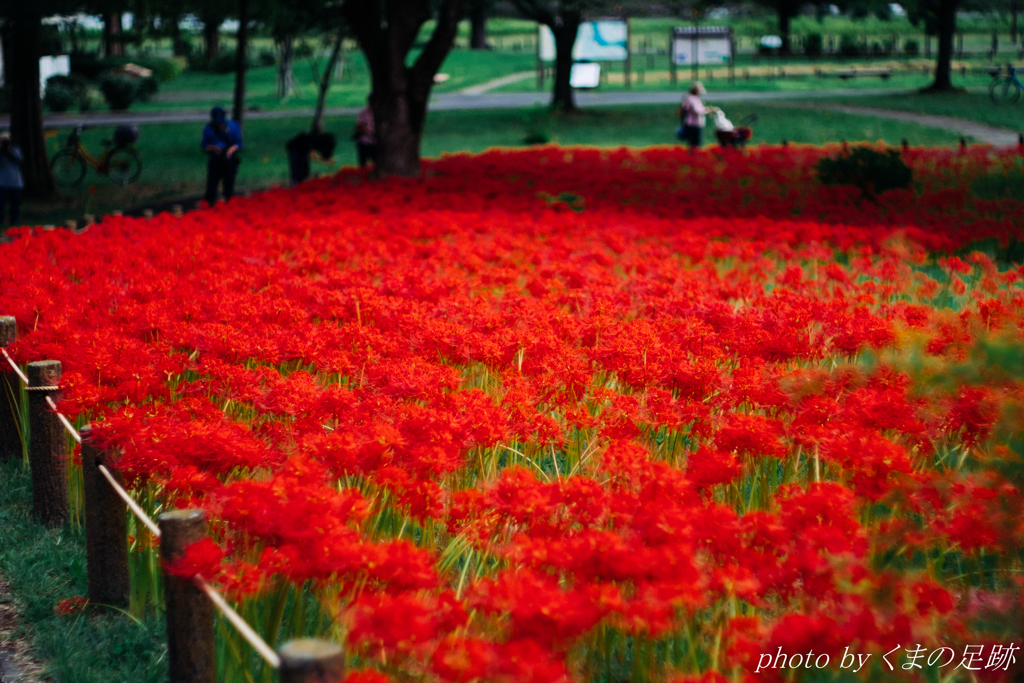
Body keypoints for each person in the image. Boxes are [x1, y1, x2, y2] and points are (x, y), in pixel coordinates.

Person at [201, 107, 243, 205]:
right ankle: (210, 203)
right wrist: (214, 148)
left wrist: (230, 150)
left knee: (229, 183)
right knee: (212, 184)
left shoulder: (233, 126)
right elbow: (204, 146)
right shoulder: (208, 128)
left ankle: (228, 201)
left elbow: (239, 144)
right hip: (215, 159)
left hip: (228, 159)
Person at [0, 132, 23, 227]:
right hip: (2, 183)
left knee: (15, 205)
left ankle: (14, 221)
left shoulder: (15, 150)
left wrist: (9, 151)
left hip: (16, 183)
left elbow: (18, 160)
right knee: (1, 204)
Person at [678, 82, 708, 149]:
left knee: (692, 143)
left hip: (690, 123)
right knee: (696, 144)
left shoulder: (688, 98)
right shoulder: (692, 99)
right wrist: (707, 110)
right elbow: (697, 110)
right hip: (694, 124)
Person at [354, 99, 376, 169]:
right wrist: (368, 132)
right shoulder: (363, 113)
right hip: (364, 141)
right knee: (362, 163)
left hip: (375, 142)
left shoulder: (380, 112)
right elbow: (359, 126)